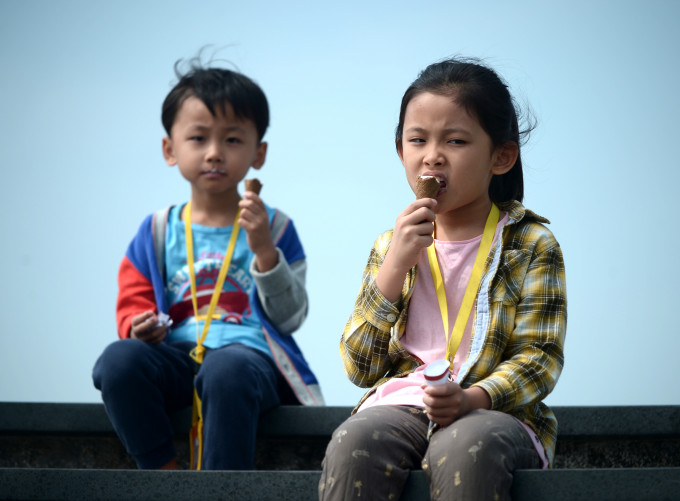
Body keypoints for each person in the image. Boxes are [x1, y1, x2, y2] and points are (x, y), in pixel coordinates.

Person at [319, 58, 566, 501]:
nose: (432, 155)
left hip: (493, 412)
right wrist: (395, 265)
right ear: (401, 152)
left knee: (464, 448)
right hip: (402, 403)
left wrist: (472, 398)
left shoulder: (531, 243)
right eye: (417, 140)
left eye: (455, 140)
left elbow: (540, 357)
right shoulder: (389, 244)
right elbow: (359, 367)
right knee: (353, 442)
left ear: (501, 157)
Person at [92, 59, 324, 471]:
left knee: (226, 367)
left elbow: (290, 318)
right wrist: (137, 325)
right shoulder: (158, 230)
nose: (215, 153)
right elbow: (132, 301)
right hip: (176, 357)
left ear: (259, 153)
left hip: (248, 363)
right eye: (198, 138)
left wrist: (265, 250)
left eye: (233, 140)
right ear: (170, 149)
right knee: (118, 361)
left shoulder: (276, 226)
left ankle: (220, 488)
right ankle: (163, 474)